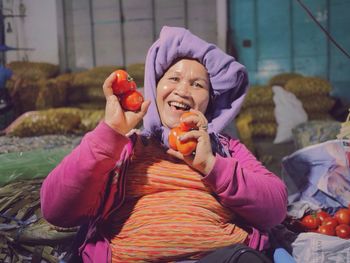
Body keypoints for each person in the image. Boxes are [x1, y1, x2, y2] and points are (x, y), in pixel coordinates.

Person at [40, 26, 287, 263]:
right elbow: (56, 210)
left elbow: (275, 209)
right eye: (174, 78)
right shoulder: (125, 147)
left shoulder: (225, 149)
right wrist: (110, 133)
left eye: (197, 84)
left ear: (210, 102)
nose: (182, 91)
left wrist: (211, 164)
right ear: (155, 87)